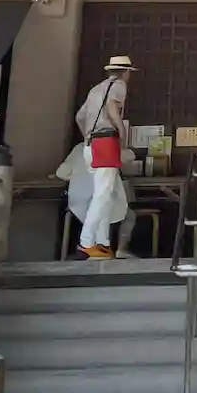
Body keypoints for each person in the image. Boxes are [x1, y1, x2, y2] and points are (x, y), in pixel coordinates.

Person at [73, 55, 134, 259]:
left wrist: (89, 135)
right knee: (102, 195)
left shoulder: (95, 89)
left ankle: (103, 242)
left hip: (90, 145)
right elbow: (112, 109)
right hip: (106, 142)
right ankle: (86, 242)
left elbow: (80, 117)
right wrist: (122, 135)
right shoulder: (119, 85)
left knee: (105, 194)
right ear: (126, 73)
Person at [56, 142, 141, 258]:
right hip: (103, 202)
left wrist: (78, 176)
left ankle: (94, 248)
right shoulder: (109, 146)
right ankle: (121, 248)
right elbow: (129, 156)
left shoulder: (79, 148)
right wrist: (124, 143)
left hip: (77, 204)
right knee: (126, 214)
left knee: (100, 217)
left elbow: (61, 172)